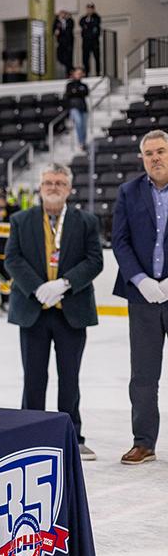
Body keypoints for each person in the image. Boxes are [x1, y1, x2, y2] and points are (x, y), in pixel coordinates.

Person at [5, 164, 101, 460]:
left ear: (69, 188)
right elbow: (12, 259)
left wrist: (65, 283)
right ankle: (28, 434)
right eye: (48, 181)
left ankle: (72, 436)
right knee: (33, 377)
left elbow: (95, 260)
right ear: (40, 186)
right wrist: (37, 288)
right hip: (33, 310)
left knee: (69, 378)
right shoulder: (21, 220)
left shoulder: (86, 221)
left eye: (59, 182)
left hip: (71, 311)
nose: (53, 187)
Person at [111, 129, 168, 466]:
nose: (155, 158)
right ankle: (144, 442)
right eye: (149, 153)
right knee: (144, 376)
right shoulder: (128, 192)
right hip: (142, 296)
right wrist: (140, 279)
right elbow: (119, 241)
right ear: (142, 158)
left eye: (161, 151)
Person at [64, 67, 90, 151]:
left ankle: (83, 142)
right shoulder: (69, 85)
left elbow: (85, 93)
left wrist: (76, 92)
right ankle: (81, 142)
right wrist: (77, 92)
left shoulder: (84, 85)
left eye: (80, 73)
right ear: (74, 74)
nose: (79, 75)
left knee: (84, 126)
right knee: (79, 123)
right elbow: (68, 94)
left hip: (83, 107)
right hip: (74, 107)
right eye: (77, 73)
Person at [80, 2, 101, 76]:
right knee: (85, 58)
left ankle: (98, 72)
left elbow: (95, 24)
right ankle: (86, 72)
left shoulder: (96, 17)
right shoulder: (84, 18)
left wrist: (87, 26)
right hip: (86, 41)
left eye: (91, 9)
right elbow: (81, 22)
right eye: (88, 9)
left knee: (96, 57)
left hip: (94, 41)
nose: (89, 10)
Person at [53, 10, 75, 76]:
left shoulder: (69, 21)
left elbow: (69, 29)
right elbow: (54, 30)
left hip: (68, 43)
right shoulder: (57, 22)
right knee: (60, 57)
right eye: (61, 14)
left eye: (64, 14)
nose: (62, 15)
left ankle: (69, 72)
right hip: (60, 42)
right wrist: (56, 32)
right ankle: (70, 68)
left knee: (69, 58)